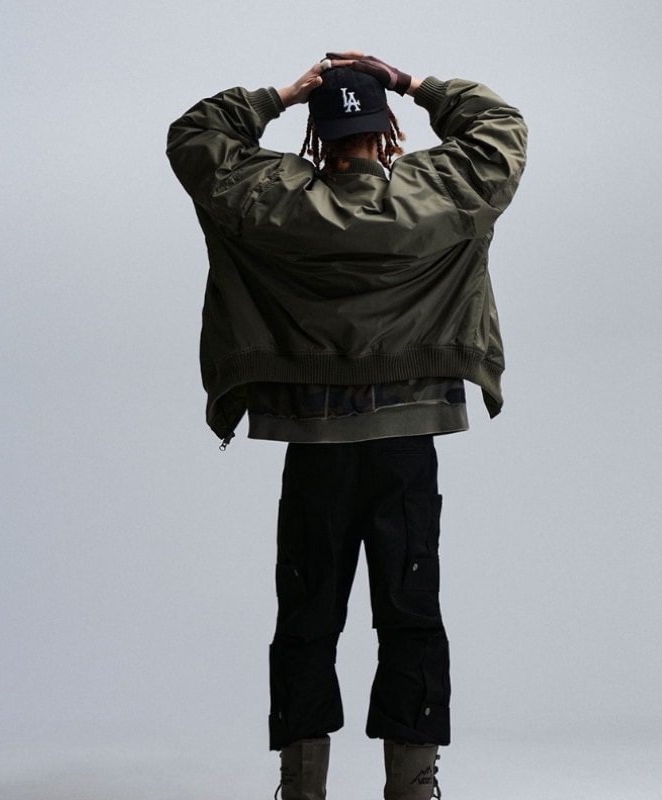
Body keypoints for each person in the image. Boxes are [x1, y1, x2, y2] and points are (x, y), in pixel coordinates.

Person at [167, 51, 527, 800]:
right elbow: (500, 127)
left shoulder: (271, 199)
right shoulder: (440, 193)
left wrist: (280, 94)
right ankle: (414, 787)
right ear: (387, 129)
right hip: (406, 440)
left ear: (316, 134)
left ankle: (301, 787)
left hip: (314, 444)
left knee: (307, 616)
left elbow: (195, 136)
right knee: (411, 613)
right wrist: (413, 84)